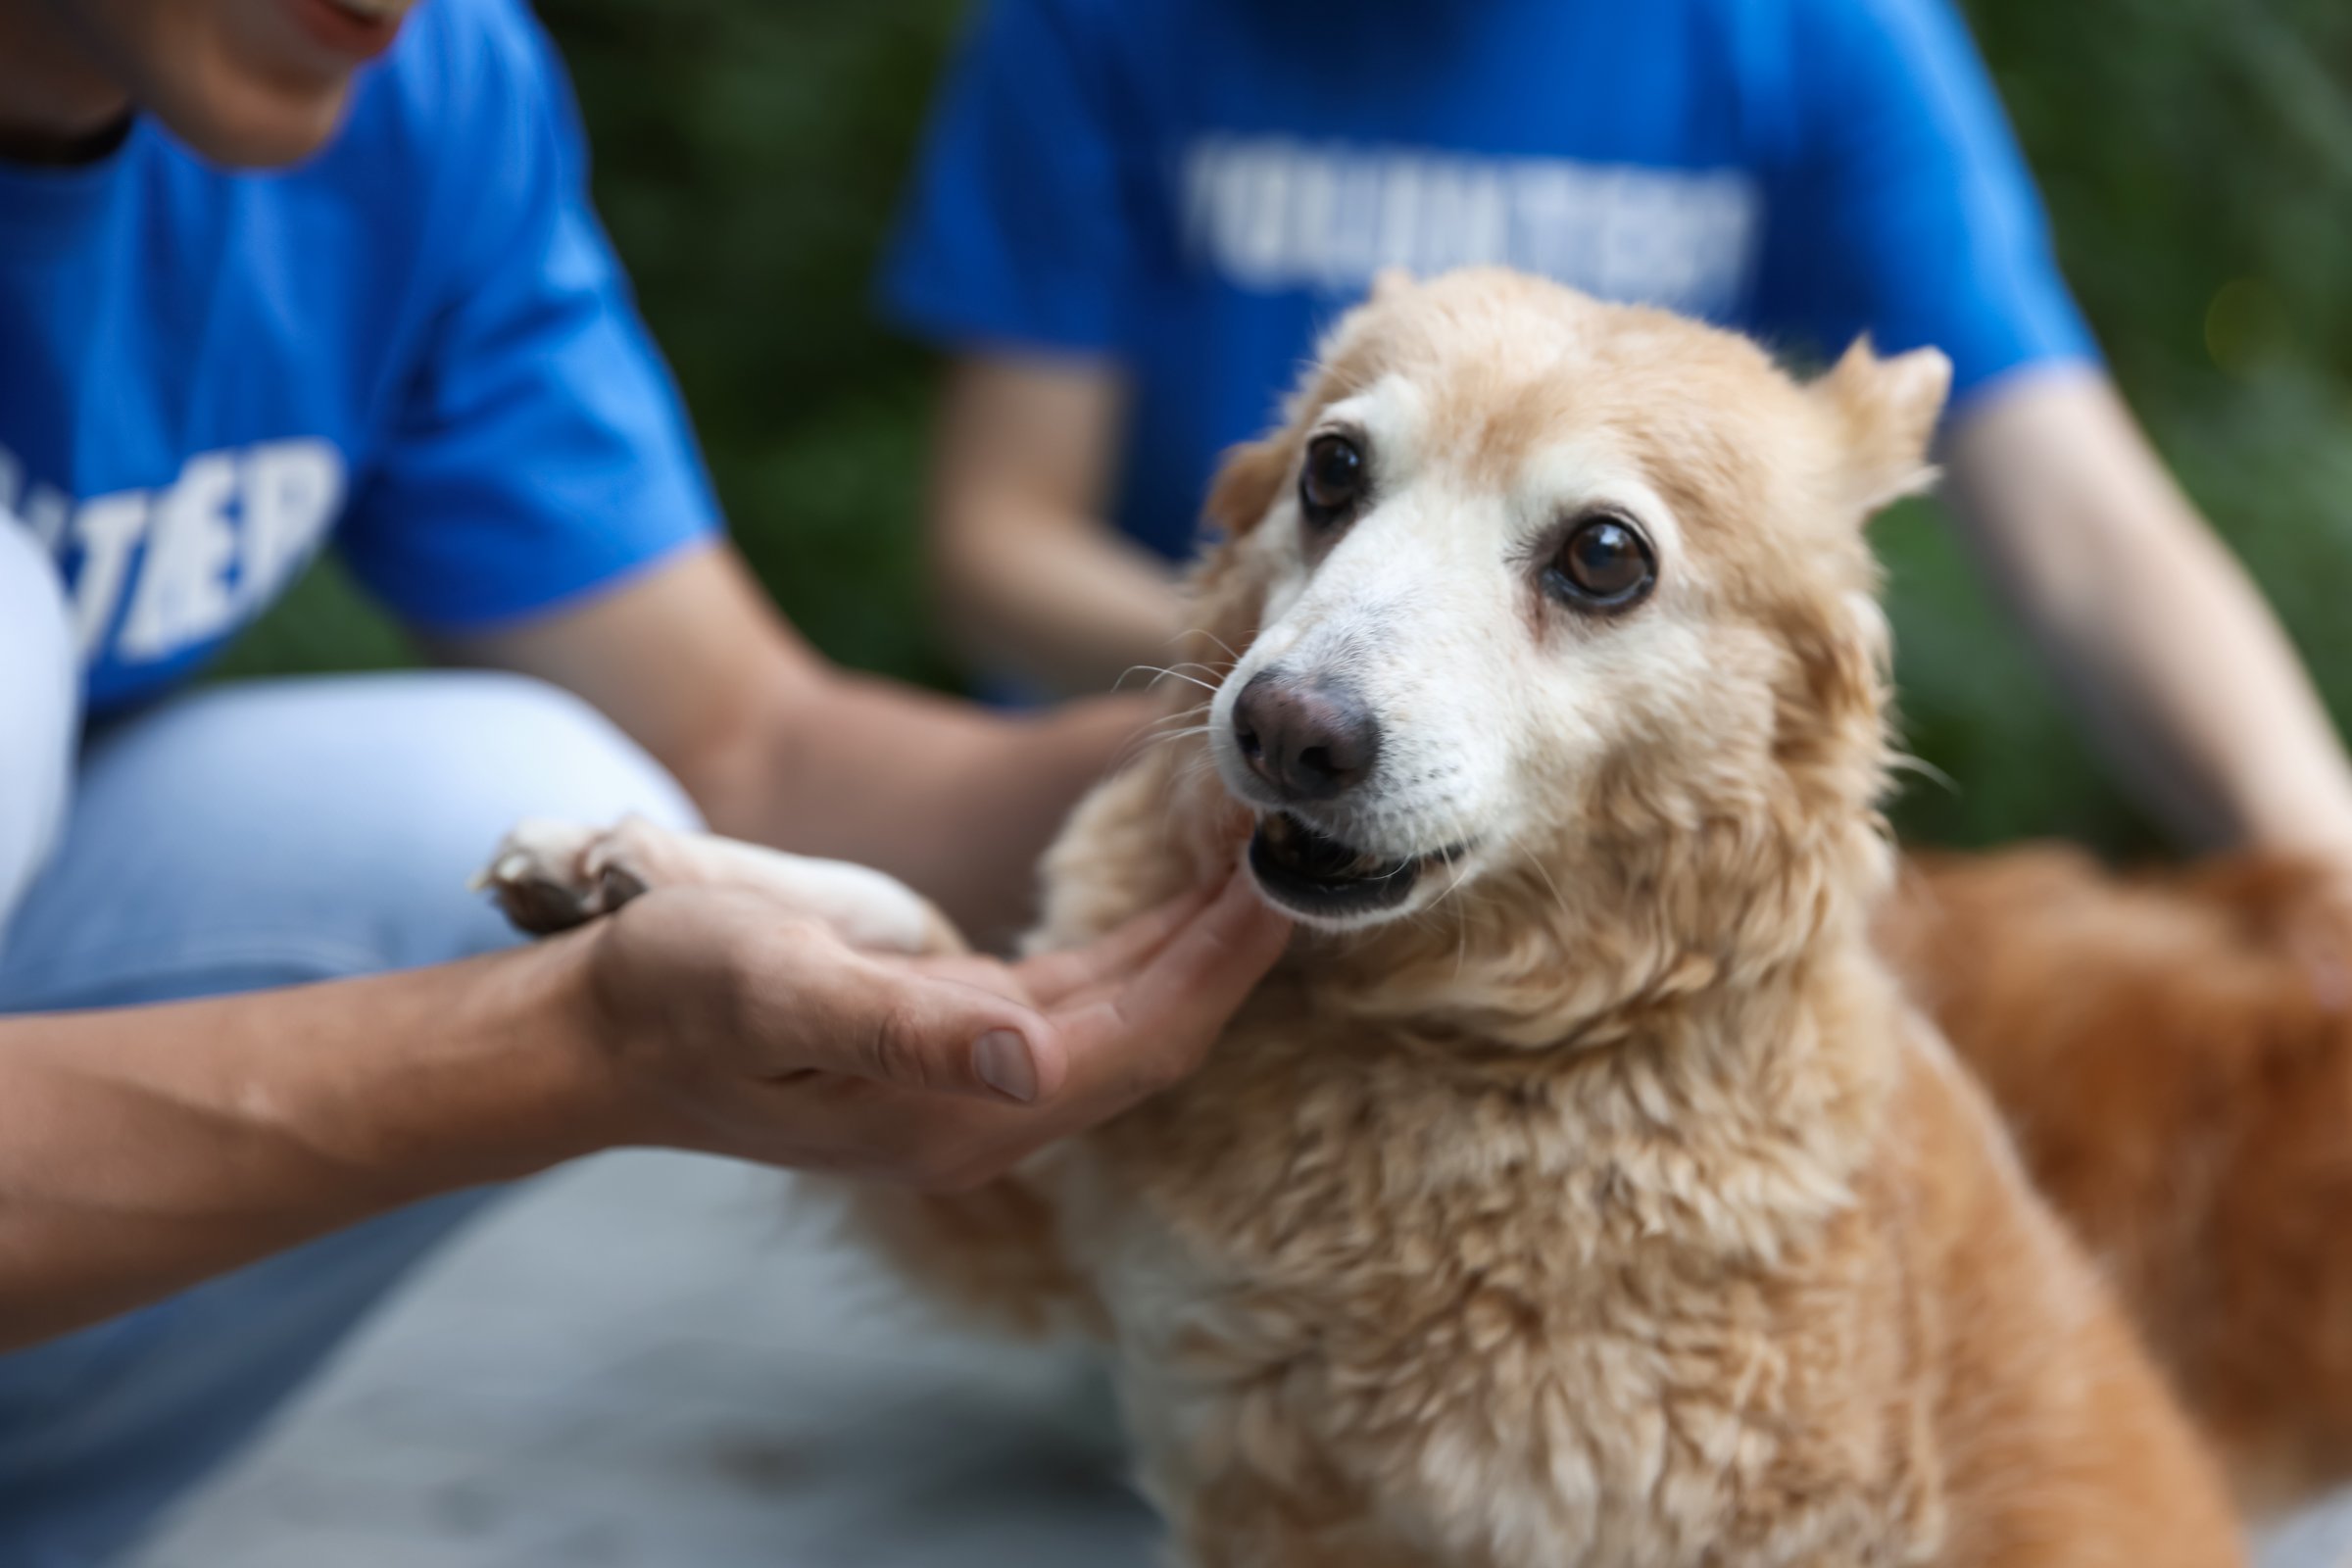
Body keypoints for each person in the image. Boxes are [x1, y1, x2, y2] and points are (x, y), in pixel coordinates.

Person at [0, 0, 1291, 1560]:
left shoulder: (419, 91)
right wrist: (574, 1048)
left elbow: (739, 742)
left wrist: (1240, 762)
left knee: (508, 805)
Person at [882, 0, 2352, 873]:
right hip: (1121, 800)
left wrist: (2315, 855)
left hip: (1582, 869)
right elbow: (991, 539)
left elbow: (2081, 519)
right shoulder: (1101, 25)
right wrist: (1309, 690)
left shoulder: (1807, 30)